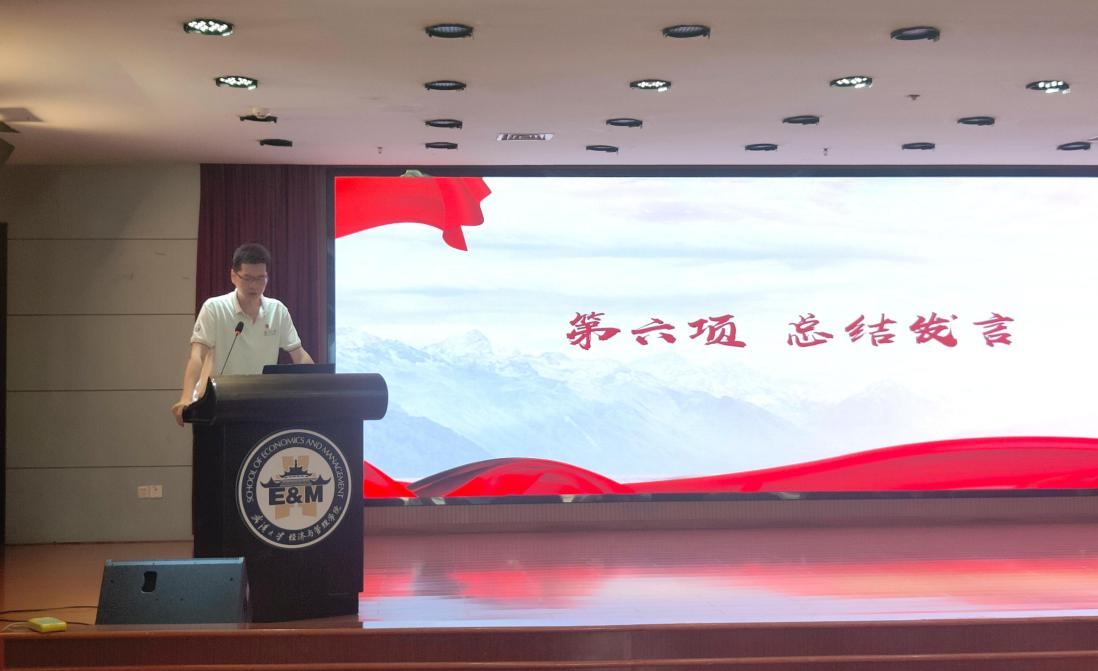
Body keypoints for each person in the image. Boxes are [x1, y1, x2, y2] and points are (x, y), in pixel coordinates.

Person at [171, 242, 314, 426]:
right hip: (215, 404)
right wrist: (185, 397)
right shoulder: (214, 308)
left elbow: (299, 355)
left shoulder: (277, 310)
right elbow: (197, 356)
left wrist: (317, 386)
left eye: (260, 278)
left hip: (260, 404)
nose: (254, 285)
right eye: (247, 278)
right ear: (233, 276)